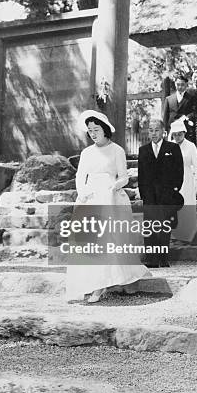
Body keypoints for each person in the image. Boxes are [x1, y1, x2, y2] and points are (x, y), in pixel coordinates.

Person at [66, 110, 151, 303]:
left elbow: (124, 177)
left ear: (105, 129)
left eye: (96, 129)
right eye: (90, 131)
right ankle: (94, 284)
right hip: (91, 196)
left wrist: (114, 186)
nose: (93, 134)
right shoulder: (87, 153)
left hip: (111, 196)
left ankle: (116, 280)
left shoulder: (117, 150)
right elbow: (80, 177)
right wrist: (84, 193)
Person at [137, 119, 184, 268]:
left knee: (165, 227)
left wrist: (173, 190)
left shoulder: (173, 148)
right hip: (150, 196)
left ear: (163, 131)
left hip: (167, 195)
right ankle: (151, 259)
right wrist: (144, 194)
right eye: (150, 130)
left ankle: (163, 259)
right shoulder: (143, 150)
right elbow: (141, 175)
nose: (153, 133)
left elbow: (179, 172)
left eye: (156, 130)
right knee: (150, 227)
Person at [170, 118, 197, 243]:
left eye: (180, 134)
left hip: (186, 179)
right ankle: (175, 234)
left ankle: (187, 235)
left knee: (186, 205)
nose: (177, 137)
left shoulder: (190, 146)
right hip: (172, 180)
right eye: (175, 134)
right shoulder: (169, 146)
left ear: (184, 133)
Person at [162, 73, 196, 139]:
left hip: (185, 130)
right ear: (175, 84)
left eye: (182, 85)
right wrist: (165, 130)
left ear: (186, 85)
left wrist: (186, 117)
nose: (180, 87)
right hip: (172, 130)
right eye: (178, 84)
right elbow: (165, 117)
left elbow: (193, 112)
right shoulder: (169, 99)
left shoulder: (191, 98)